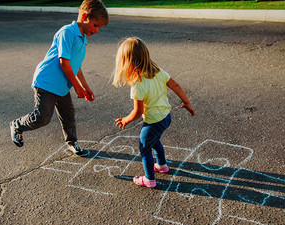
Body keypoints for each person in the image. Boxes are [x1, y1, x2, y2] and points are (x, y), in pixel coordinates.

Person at [10, 0, 109, 155]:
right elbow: (64, 63)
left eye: (99, 27)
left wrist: (85, 87)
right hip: (47, 82)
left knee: (68, 116)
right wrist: (77, 87)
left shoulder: (82, 38)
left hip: (62, 86)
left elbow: (75, 65)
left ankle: (72, 143)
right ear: (84, 17)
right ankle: (16, 125)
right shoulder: (67, 32)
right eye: (96, 25)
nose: (97, 30)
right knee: (42, 118)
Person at [113, 37, 195, 188]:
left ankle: (149, 179)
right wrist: (186, 102)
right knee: (155, 140)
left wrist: (126, 119)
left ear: (128, 63)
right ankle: (162, 166)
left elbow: (138, 112)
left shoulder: (138, 85)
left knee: (145, 147)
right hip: (165, 118)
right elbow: (175, 85)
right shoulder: (158, 71)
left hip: (153, 122)